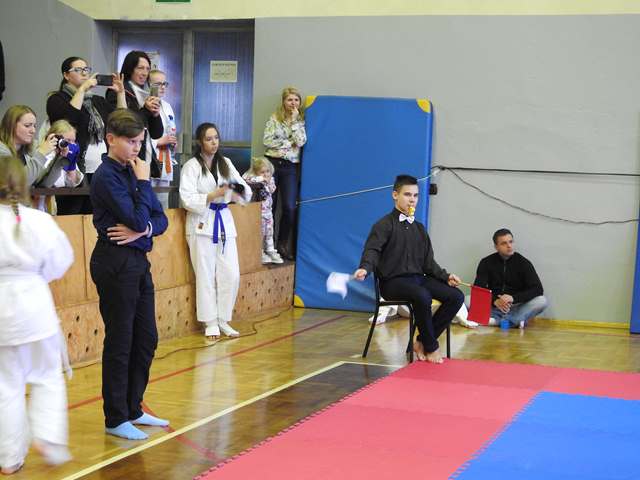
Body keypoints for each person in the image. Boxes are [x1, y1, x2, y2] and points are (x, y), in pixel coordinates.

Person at [89, 109, 169, 440]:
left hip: (137, 259)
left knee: (146, 337)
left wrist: (143, 230)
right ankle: (116, 416)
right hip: (114, 261)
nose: (136, 148)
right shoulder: (106, 176)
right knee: (120, 340)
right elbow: (136, 218)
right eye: (130, 142)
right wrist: (143, 187)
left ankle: (134, 407)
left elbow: (159, 219)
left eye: (139, 142)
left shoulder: (134, 170)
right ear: (111, 139)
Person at [0, 156, 73, 474]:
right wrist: (35, 275)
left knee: (6, 385)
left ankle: (8, 458)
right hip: (34, 306)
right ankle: (49, 439)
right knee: (46, 375)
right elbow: (61, 261)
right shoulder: (39, 221)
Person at [354, 175, 464, 364]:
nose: (412, 199)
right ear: (395, 195)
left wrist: (446, 277)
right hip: (392, 283)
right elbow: (372, 250)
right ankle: (431, 347)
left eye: (415, 195)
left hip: (418, 279)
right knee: (422, 295)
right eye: (407, 194)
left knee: (456, 297)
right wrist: (365, 268)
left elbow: (429, 264)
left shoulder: (419, 229)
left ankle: (421, 341)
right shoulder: (383, 225)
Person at [180, 122, 251, 340]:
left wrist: (234, 191)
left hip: (224, 222)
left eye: (216, 138)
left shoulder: (225, 163)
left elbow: (246, 192)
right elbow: (186, 198)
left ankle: (223, 319)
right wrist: (212, 195)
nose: (214, 143)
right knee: (206, 275)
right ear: (200, 142)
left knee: (231, 274)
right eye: (209, 139)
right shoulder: (191, 166)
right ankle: (210, 322)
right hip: (201, 223)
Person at [46, 56, 127, 214]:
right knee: (72, 214)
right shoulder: (56, 99)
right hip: (73, 167)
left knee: (95, 214)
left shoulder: (97, 101)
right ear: (66, 75)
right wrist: (82, 89)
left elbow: (122, 122)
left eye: (86, 69)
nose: (84, 73)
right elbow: (70, 120)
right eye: (78, 70)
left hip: (100, 168)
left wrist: (121, 94)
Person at [263, 86, 307, 260]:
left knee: (289, 207)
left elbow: (301, 141)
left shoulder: (301, 121)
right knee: (270, 206)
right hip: (272, 164)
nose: (293, 103)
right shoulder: (275, 118)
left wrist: (295, 122)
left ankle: (282, 244)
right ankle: (268, 246)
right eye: (290, 99)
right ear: (283, 101)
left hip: (290, 167)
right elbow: (267, 140)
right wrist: (289, 143)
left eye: (296, 100)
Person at [473, 228, 548, 329]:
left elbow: (537, 289)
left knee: (542, 301)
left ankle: (497, 321)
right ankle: (514, 321)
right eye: (504, 243)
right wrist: (495, 300)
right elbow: (478, 288)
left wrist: (513, 298)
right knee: (468, 300)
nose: (509, 246)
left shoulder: (524, 263)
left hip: (516, 307)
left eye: (511, 242)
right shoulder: (486, 262)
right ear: (496, 247)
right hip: (494, 306)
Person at [105, 51, 164, 178]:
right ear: (130, 68)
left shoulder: (147, 93)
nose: (144, 73)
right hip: (124, 158)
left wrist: (155, 114)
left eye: (147, 69)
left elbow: (156, 134)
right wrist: (146, 110)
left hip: (144, 156)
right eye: (140, 68)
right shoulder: (118, 91)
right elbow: (124, 126)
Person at [33, 120, 84, 213]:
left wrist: (71, 163)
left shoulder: (68, 155)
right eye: (68, 141)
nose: (71, 144)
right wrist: (57, 158)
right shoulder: (42, 153)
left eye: (73, 141)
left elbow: (73, 183)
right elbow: (44, 182)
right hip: (37, 205)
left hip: (57, 205)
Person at [0, 105, 59, 186]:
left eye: (34, 126)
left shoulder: (26, 153)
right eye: (27, 125)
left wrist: (60, 159)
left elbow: (42, 184)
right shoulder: (1, 150)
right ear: (11, 125)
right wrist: (42, 152)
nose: (33, 131)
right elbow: (16, 183)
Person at [242, 157, 283, 264]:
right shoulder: (254, 179)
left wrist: (267, 182)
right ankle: (259, 252)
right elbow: (245, 178)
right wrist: (260, 179)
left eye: (267, 171)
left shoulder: (271, 180)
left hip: (268, 213)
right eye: (262, 172)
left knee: (269, 232)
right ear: (256, 172)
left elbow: (272, 189)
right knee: (260, 233)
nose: (265, 174)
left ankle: (270, 250)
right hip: (258, 213)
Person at [148, 69, 178, 209]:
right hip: (149, 160)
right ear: (148, 85)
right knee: (148, 203)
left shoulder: (167, 106)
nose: (162, 87)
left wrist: (173, 143)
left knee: (163, 205)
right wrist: (158, 142)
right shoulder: (144, 105)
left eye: (164, 83)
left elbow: (171, 130)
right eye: (157, 84)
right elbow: (138, 136)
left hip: (165, 160)